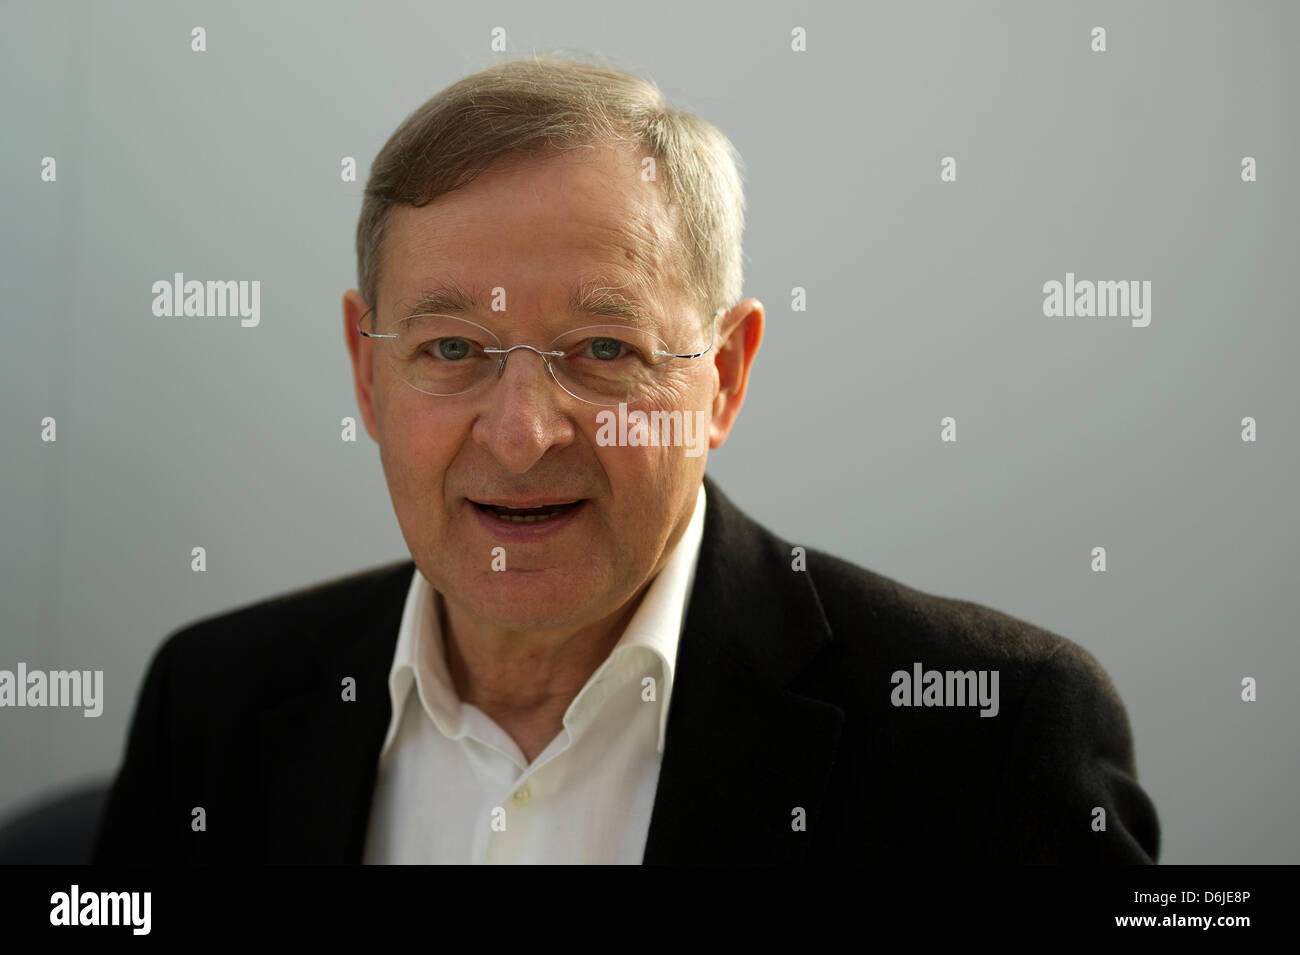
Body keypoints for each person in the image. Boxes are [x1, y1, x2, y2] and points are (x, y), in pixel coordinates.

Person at [93, 54, 1160, 864]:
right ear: (368, 375)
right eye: (452, 350)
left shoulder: (993, 738)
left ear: (723, 377)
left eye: (603, 351)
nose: (521, 433)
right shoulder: (213, 704)